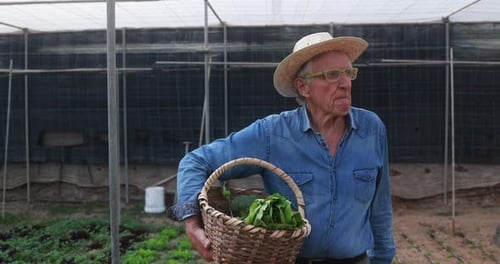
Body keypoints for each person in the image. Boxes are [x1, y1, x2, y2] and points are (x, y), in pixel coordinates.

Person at [167, 32, 396, 264]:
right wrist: (192, 222)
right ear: (303, 87)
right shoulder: (271, 134)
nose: (345, 83)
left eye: (349, 73)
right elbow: (195, 161)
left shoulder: (371, 129)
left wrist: (384, 258)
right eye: (332, 75)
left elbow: (381, 207)